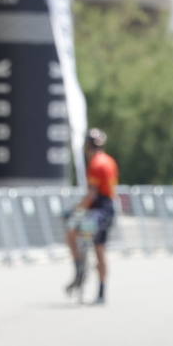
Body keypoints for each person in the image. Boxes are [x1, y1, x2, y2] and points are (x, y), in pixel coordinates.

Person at [64, 128, 119, 303]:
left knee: (72, 232)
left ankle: (79, 268)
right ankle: (102, 292)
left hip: (97, 211)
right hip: (108, 209)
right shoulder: (110, 161)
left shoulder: (95, 164)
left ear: (88, 147)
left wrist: (76, 210)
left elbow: (91, 195)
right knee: (100, 249)